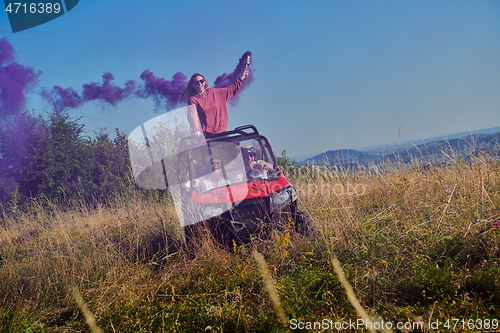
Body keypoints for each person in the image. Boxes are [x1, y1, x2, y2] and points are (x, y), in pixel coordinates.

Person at [180, 69, 249, 136]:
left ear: (204, 82)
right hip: (207, 137)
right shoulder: (193, 99)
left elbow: (230, 89)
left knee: (236, 147)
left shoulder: (215, 92)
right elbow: (192, 116)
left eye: (201, 81)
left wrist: (242, 78)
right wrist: (196, 131)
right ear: (193, 85)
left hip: (222, 133)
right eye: (196, 82)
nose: (199, 83)